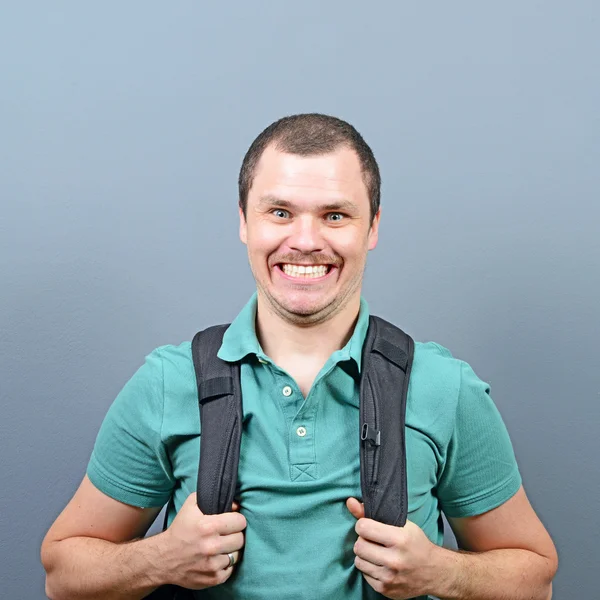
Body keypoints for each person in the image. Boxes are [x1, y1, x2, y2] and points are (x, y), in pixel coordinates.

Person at [41, 113, 558, 600]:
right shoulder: (167, 382)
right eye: (280, 212)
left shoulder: (443, 387)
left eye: (334, 215)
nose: (305, 241)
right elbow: (62, 574)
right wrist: (160, 560)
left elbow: (535, 577)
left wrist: (441, 572)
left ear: (372, 227)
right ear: (244, 221)